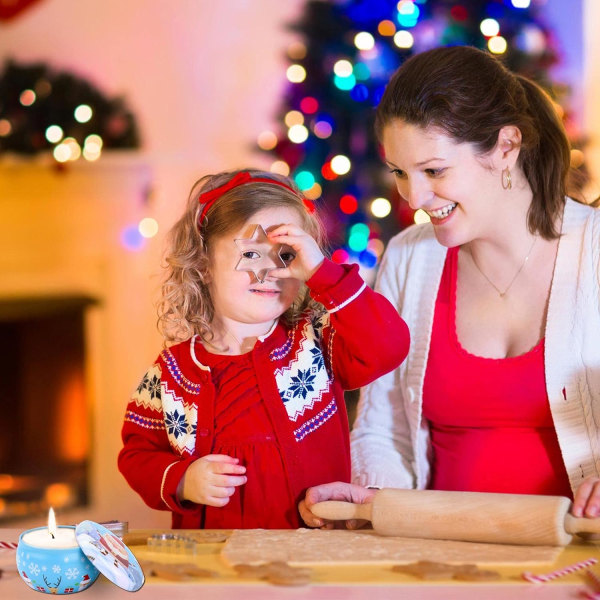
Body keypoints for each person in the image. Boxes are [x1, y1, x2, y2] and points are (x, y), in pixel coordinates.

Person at [300, 45, 600, 529]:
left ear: (506, 147)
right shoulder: (409, 256)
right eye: (400, 172)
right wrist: (376, 500)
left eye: (434, 171)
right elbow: (383, 427)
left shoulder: (596, 253)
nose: (414, 197)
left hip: (576, 559)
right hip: (439, 559)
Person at [118, 168, 410, 529]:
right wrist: (182, 478)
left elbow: (389, 345)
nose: (270, 271)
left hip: (311, 561)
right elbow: (137, 454)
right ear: (204, 264)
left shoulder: (316, 343)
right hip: (214, 569)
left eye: (287, 256)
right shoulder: (170, 373)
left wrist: (323, 271)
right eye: (252, 254)